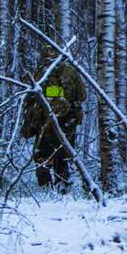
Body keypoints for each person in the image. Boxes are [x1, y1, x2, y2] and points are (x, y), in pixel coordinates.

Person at [20, 49, 87, 188]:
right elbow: (82, 95)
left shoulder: (40, 73)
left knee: (41, 157)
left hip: (44, 122)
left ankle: (45, 188)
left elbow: (30, 97)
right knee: (63, 156)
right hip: (67, 122)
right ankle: (62, 187)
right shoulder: (71, 72)